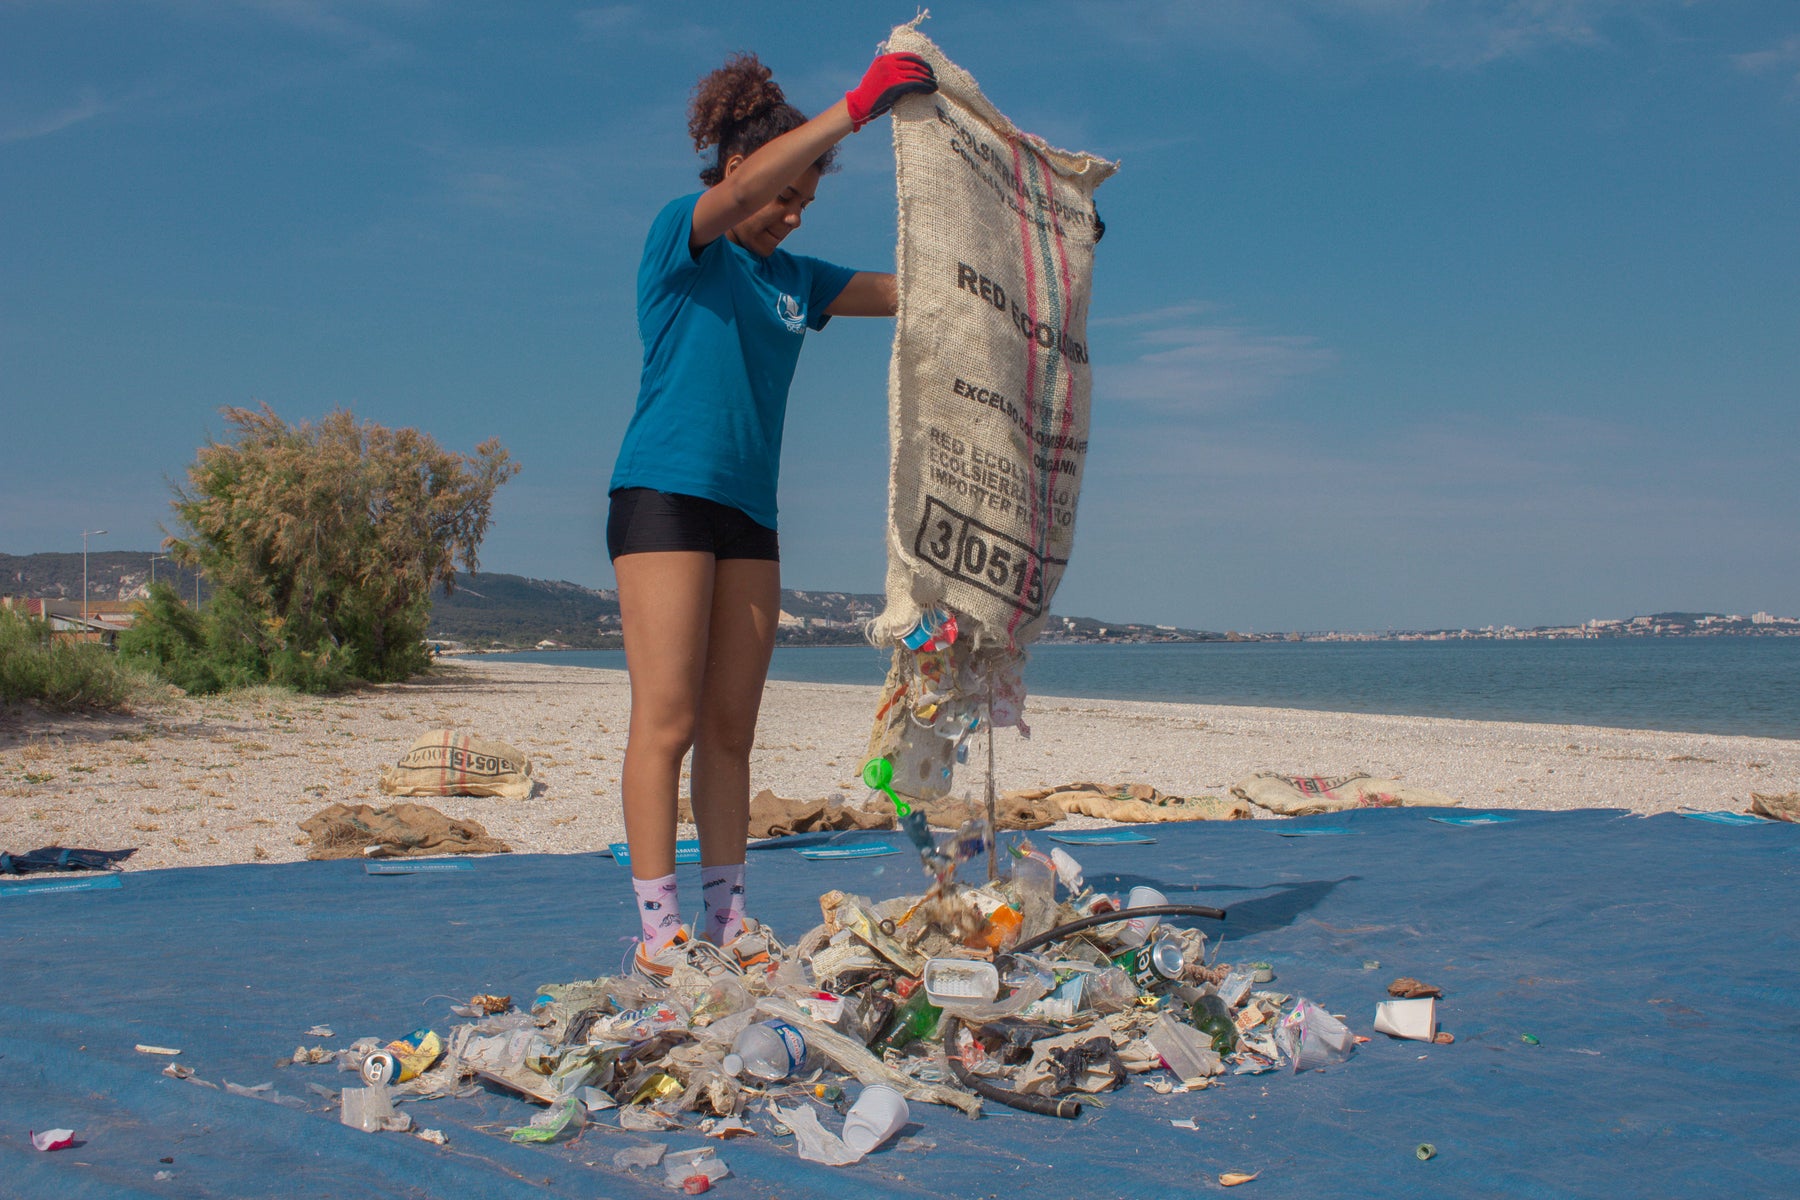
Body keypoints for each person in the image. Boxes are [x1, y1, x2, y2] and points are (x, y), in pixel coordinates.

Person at [606, 49, 936, 982]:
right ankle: (657, 927)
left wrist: (1035, 259)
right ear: (736, 177)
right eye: (784, 194)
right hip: (665, 496)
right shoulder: (685, 238)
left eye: (805, 204)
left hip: (750, 514)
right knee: (664, 721)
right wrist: (858, 108)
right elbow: (750, 179)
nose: (791, 213)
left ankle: (727, 921)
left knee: (731, 728)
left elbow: (915, 297)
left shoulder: (796, 277)